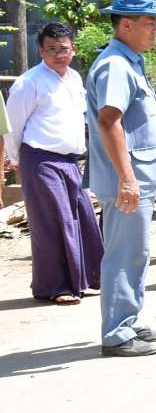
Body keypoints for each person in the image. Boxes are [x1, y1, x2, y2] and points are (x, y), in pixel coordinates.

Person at [86, 0, 156, 356]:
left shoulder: (128, 61)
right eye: (150, 23)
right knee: (124, 254)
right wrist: (127, 178)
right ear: (125, 24)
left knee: (137, 252)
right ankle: (117, 333)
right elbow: (109, 121)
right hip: (127, 180)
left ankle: (129, 319)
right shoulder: (115, 66)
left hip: (136, 176)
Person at [4, 22, 102, 305]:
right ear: (40, 51)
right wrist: (16, 160)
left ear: (73, 49)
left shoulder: (74, 78)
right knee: (52, 223)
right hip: (40, 159)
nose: (59, 55)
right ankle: (55, 286)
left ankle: (86, 278)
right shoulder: (29, 82)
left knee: (82, 216)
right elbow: (13, 127)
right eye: (51, 49)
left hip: (70, 161)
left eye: (63, 49)